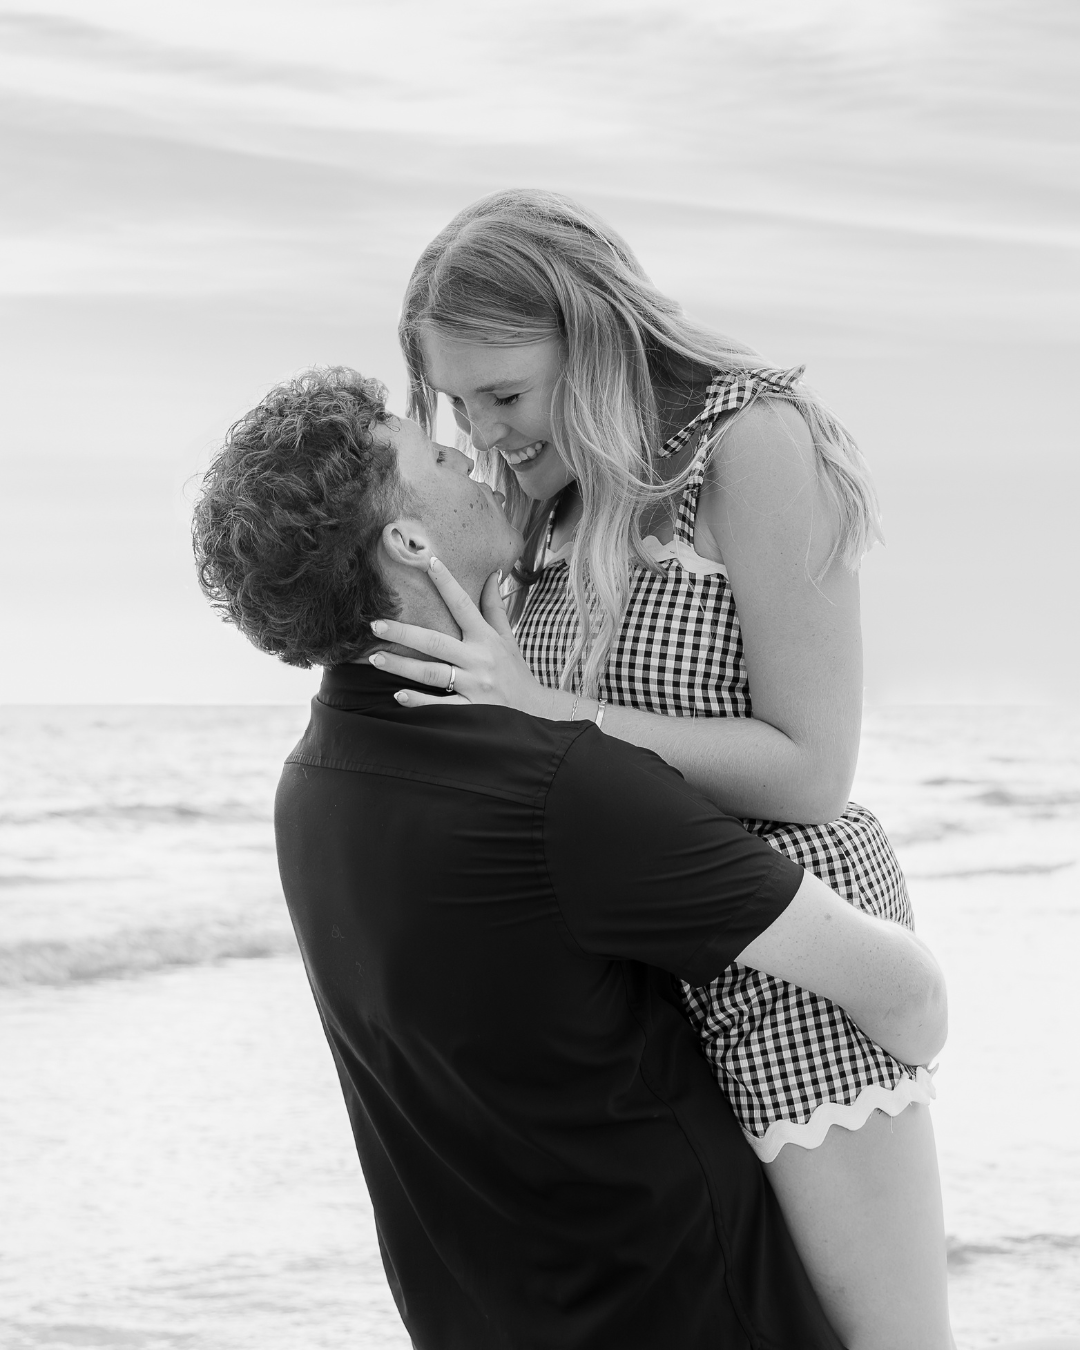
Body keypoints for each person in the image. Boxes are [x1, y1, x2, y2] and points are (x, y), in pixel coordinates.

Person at [191, 366, 949, 1350]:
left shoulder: (314, 791)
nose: (473, 457)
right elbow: (906, 994)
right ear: (408, 543)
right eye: (439, 454)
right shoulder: (560, 794)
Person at [369, 187, 948, 1349]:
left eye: (505, 395)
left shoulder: (753, 446)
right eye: (457, 407)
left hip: (795, 982)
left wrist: (551, 711)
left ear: (592, 339)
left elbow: (810, 770)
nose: (485, 437)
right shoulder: (543, 495)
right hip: (633, 1002)